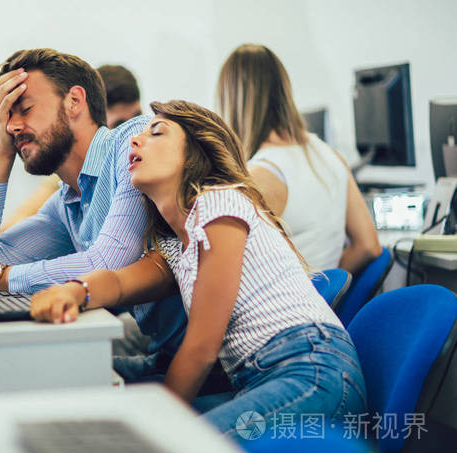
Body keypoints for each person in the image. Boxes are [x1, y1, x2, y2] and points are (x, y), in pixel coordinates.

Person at [29, 100, 367, 435]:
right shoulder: (178, 244)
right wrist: (73, 291)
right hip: (260, 378)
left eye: (157, 133)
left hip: (311, 371)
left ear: (194, 153)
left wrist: (161, 432)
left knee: (171, 449)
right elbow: (117, 282)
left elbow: (201, 349)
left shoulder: (217, 203)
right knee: (98, 383)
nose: (135, 140)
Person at [0, 49, 187, 374]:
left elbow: (107, 263)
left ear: (74, 101)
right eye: (7, 118)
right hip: (165, 354)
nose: (14, 126)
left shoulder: (134, 143)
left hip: (220, 364)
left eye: (25, 109)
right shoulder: (67, 202)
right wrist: (2, 153)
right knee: (41, 379)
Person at [217, 44, 381, 274]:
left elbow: (230, 269)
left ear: (231, 100)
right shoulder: (329, 154)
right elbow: (368, 246)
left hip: (280, 307)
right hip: (317, 304)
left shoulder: (261, 174)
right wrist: (325, 286)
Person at [0, 64, 142, 233]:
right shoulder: (67, 180)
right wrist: (1, 154)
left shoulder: (142, 164)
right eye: (119, 125)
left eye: (136, 118)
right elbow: (17, 223)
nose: (134, 135)